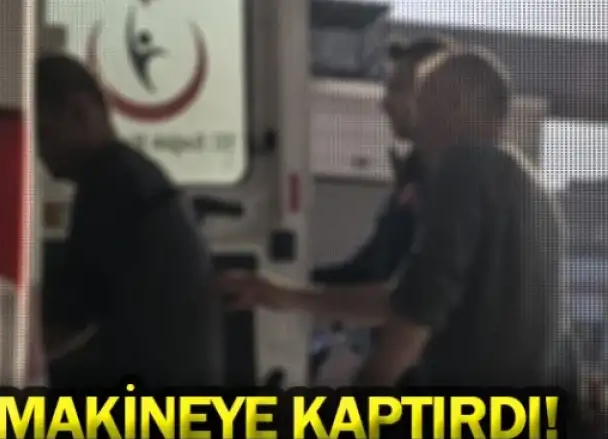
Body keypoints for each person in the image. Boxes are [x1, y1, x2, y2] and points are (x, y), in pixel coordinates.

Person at [219, 44, 563, 387]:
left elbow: (419, 306)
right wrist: (280, 295)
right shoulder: (535, 192)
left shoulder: (466, 166)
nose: (416, 117)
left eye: (422, 101)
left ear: (456, 103)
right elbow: (402, 298)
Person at [36, 53, 222, 388]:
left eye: (44, 134)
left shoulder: (110, 182)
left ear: (79, 112)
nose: (40, 153)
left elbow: (73, 318)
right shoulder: (138, 176)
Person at [307, 38, 449, 383]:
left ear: (436, 98)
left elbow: (406, 299)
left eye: (397, 89)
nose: (385, 103)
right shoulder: (413, 178)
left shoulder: (453, 187)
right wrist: (292, 278)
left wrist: (284, 295)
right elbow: (367, 270)